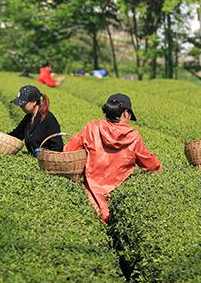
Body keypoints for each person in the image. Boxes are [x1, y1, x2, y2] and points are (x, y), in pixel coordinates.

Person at [64, 94, 160, 222]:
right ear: (126, 113)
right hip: (115, 194)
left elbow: (68, 151)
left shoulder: (92, 127)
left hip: (89, 192)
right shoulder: (134, 137)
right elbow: (151, 165)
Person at [8, 85, 63, 156]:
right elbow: (16, 135)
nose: (21, 106)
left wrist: (44, 154)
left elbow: (58, 147)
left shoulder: (48, 119)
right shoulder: (28, 117)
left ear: (34, 102)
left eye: (23, 103)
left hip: (46, 162)